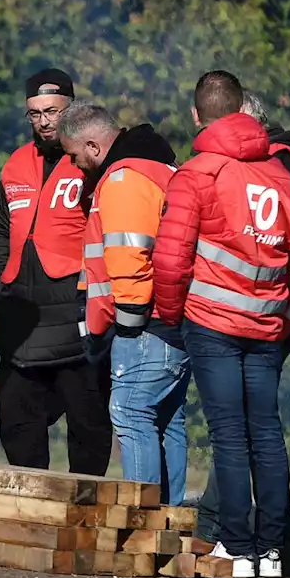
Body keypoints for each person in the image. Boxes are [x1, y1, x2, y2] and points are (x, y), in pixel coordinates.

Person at [154, 71, 290, 578]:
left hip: (212, 323)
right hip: (266, 325)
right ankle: (271, 552)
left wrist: (171, 314)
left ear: (197, 116)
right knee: (266, 432)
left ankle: (237, 548)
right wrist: (287, 315)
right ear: (245, 112)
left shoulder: (197, 173)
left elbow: (172, 259)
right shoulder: (280, 174)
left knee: (228, 436)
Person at [195, 91, 290, 564]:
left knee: (240, 430)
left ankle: (244, 541)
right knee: (255, 429)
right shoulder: (286, 163)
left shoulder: (272, 164)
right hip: (271, 308)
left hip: (250, 312)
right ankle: (264, 543)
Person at [56, 101, 189, 503]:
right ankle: (171, 520)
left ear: (94, 146)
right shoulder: (160, 167)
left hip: (144, 326)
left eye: (75, 156)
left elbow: (129, 253)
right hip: (173, 322)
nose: (76, 166)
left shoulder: (123, 178)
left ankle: (143, 525)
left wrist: (127, 323)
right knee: (168, 422)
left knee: (131, 415)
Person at [0, 69, 111, 474]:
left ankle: (86, 514)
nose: (43, 122)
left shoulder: (90, 159)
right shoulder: (16, 163)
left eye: (52, 111)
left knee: (87, 420)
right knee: (17, 418)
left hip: (75, 309)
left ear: (71, 107)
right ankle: (33, 509)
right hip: (22, 314)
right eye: (34, 114)